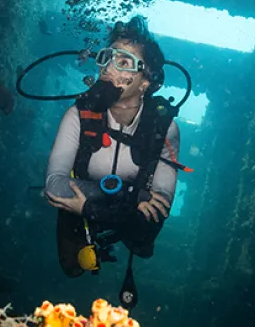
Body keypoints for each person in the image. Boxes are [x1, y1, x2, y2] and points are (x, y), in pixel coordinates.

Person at [44, 17, 183, 279]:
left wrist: (90, 205)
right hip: (86, 212)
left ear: (146, 81)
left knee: (142, 242)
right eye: (107, 57)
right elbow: (53, 185)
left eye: (123, 62)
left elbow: (159, 208)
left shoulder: (165, 128)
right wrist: (132, 196)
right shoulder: (78, 115)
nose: (108, 68)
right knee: (71, 268)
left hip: (94, 207)